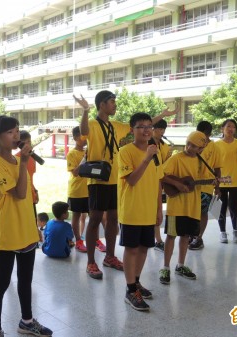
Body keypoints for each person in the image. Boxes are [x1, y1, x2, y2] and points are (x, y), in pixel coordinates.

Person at [73, 91, 172, 279]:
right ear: (102, 105)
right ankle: (91, 262)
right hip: (98, 179)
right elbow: (84, 130)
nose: (115, 105)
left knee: (112, 218)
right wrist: (86, 110)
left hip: (115, 179)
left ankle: (110, 256)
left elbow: (142, 124)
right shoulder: (93, 124)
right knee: (94, 219)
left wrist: (162, 115)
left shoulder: (116, 126)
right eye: (112, 102)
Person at [0, 115, 52, 337]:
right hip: (8, 231)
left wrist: (34, 227)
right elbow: (19, 193)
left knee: (26, 279)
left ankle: (27, 321)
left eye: (17, 131)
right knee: (2, 283)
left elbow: (27, 199)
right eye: (10, 132)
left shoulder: (18, 160)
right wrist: (24, 162)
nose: (16, 136)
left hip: (25, 228)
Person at [118, 113, 164, 311]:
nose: (146, 130)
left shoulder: (156, 152)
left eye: (149, 126)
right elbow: (132, 180)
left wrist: (158, 209)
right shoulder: (125, 152)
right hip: (131, 209)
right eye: (141, 126)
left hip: (149, 208)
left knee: (145, 248)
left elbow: (158, 181)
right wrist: (146, 158)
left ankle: (136, 283)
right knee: (132, 249)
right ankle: (129, 290)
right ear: (132, 130)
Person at [159, 131, 208, 285]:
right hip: (176, 206)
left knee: (185, 236)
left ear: (201, 149)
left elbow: (205, 179)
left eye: (194, 146)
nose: (189, 147)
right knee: (171, 236)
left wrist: (215, 182)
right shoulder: (176, 158)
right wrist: (178, 184)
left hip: (192, 206)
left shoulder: (202, 161)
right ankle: (165, 267)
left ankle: (180, 265)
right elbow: (161, 174)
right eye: (188, 143)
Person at [188, 121, 221, 250]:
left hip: (206, 185)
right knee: (191, 212)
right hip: (191, 185)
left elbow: (217, 168)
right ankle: (191, 234)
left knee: (202, 212)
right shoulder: (192, 143)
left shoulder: (214, 147)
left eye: (205, 135)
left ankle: (199, 238)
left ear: (210, 134)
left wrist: (217, 187)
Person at [215, 119, 237, 243]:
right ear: (222, 129)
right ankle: (223, 232)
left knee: (234, 207)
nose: (230, 129)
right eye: (228, 126)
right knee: (222, 207)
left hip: (235, 181)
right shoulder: (216, 144)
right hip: (221, 181)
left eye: (233, 127)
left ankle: (235, 231)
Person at [66, 126, 91, 253]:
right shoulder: (72, 154)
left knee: (94, 217)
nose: (85, 138)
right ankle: (78, 241)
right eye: (82, 136)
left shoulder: (90, 150)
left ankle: (94, 240)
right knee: (76, 216)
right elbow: (75, 173)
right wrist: (85, 158)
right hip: (76, 191)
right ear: (76, 138)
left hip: (91, 189)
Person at [151, 119, 172, 252]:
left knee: (157, 209)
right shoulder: (147, 144)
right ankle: (157, 239)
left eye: (163, 129)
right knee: (154, 209)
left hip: (160, 178)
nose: (161, 132)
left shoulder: (164, 146)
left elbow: (163, 165)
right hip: (149, 179)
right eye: (159, 129)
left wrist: (169, 158)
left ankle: (157, 239)